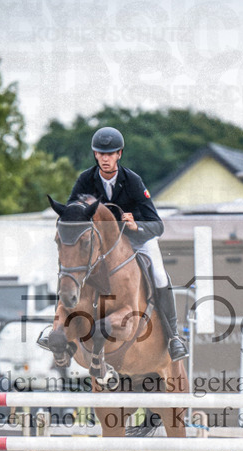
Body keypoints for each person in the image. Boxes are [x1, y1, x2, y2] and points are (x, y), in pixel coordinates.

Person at [57, 126, 188, 362]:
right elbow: (72, 214)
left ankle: (173, 337)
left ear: (119, 154)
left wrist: (137, 225)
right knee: (72, 268)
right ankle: (61, 332)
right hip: (100, 248)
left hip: (137, 240)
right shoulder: (86, 179)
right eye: (101, 153)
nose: (105, 158)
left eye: (111, 154)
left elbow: (157, 225)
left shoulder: (133, 181)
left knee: (159, 275)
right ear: (95, 154)